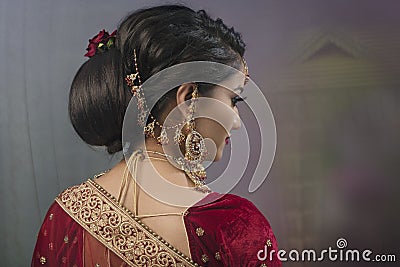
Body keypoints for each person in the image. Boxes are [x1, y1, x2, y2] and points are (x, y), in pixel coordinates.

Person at [32, 4, 281, 267]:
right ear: (188, 100)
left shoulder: (66, 214)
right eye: (233, 99)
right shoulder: (233, 227)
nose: (237, 123)